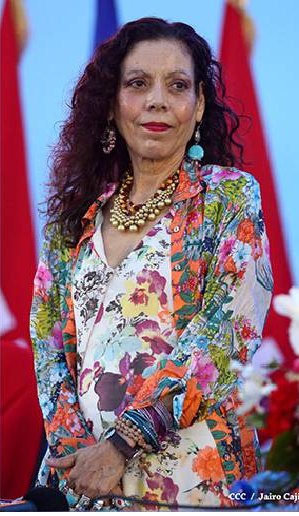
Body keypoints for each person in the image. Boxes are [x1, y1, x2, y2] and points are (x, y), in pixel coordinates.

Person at [29, 17, 274, 510]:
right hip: (80, 486)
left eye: (177, 85)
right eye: (138, 83)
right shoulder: (74, 218)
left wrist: (121, 446)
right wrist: (80, 458)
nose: (157, 100)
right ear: (112, 103)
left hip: (190, 484)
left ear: (198, 105)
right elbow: (47, 343)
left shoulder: (227, 198)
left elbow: (224, 340)